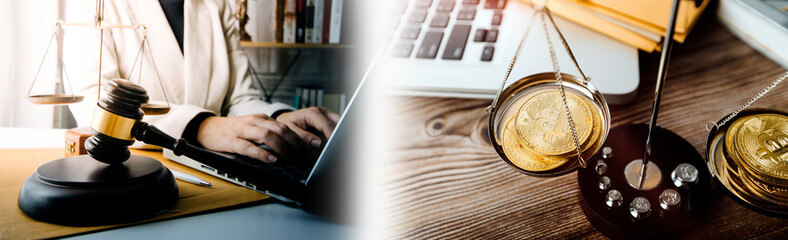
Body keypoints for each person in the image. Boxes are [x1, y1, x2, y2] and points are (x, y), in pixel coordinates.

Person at [64, 0, 339, 163]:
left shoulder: (216, 4)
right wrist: (202, 126)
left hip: (214, 167)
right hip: (138, 169)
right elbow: (92, 102)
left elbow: (240, 98)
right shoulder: (97, 4)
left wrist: (279, 120)